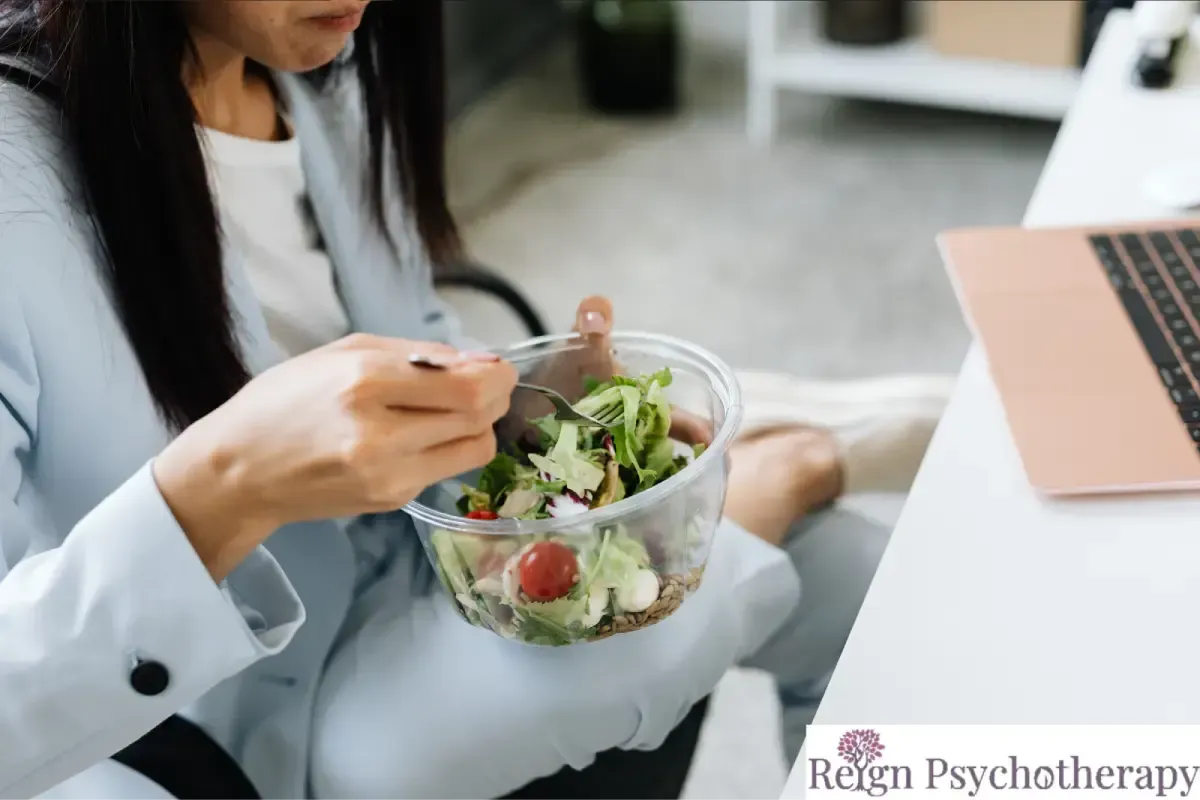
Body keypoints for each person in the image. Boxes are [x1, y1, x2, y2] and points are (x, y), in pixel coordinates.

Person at [0, 2, 951, 799]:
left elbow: (404, 319)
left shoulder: (313, 59)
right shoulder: (17, 186)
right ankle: (798, 462)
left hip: (437, 553)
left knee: (886, 596)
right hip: (260, 717)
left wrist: (514, 403)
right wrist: (222, 486)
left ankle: (791, 467)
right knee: (753, 515)